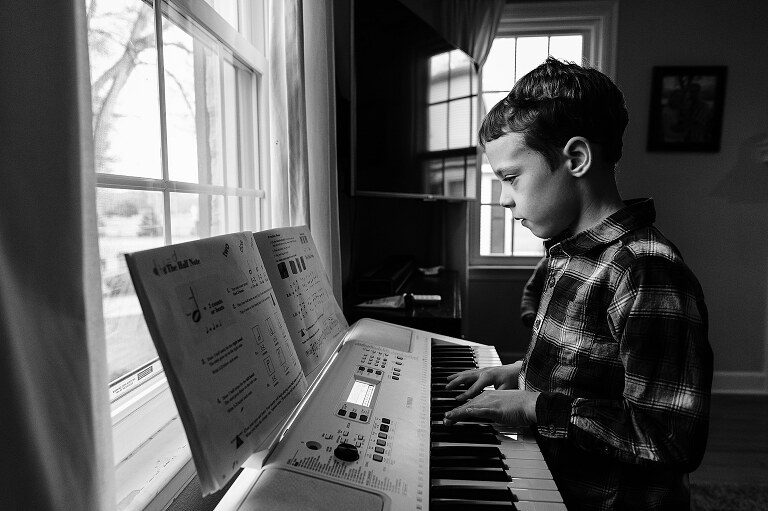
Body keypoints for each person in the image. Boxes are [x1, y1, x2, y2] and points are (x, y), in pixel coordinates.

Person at [443, 57, 713, 510]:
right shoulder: (569, 253)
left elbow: (670, 438)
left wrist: (535, 407)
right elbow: (590, 369)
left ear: (576, 158)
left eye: (510, 178)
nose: (505, 200)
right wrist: (518, 375)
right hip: (552, 482)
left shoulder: (645, 272)